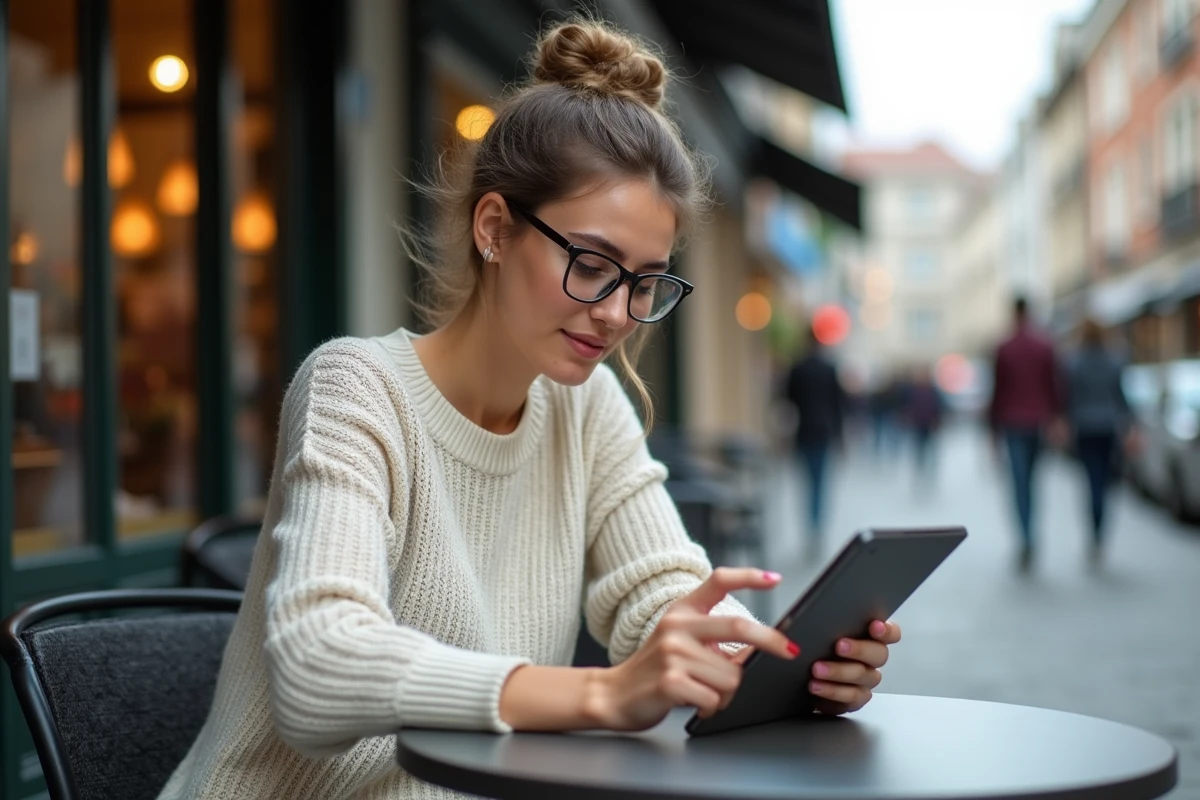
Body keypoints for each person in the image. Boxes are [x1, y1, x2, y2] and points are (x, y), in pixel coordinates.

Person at [158, 20, 901, 800]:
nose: (617, 313)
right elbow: (317, 667)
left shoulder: (585, 405)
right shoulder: (356, 387)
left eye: (644, 282)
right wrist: (603, 694)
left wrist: (778, 666)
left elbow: (662, 601)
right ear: (494, 230)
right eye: (591, 264)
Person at [987, 296, 1064, 573]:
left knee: (1019, 484)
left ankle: (1026, 536)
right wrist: (1057, 419)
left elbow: (997, 392)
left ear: (1013, 313)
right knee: (1032, 483)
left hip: (1012, 423)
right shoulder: (1045, 345)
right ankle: (1031, 535)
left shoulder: (1004, 347)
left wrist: (992, 431)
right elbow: (1054, 386)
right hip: (1039, 422)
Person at [1062, 318, 1134, 569]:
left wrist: (1066, 424)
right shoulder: (1114, 360)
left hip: (1085, 428)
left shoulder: (1074, 363)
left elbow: (1068, 398)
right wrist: (1129, 426)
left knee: (1091, 481)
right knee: (1104, 481)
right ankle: (1099, 533)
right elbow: (1122, 397)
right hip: (1108, 427)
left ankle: (1095, 533)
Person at [783, 327, 846, 555]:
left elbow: (787, 400)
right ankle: (816, 526)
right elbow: (838, 405)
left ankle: (810, 525)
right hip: (824, 433)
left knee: (807, 483)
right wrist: (841, 437)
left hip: (804, 432)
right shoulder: (829, 368)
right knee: (820, 483)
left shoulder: (797, 368)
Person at [904, 364, 945, 489]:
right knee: (919, 449)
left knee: (931, 449)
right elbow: (907, 405)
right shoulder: (913, 390)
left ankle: (930, 472)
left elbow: (940, 406)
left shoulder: (934, 390)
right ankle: (920, 471)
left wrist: (939, 419)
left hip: (930, 423)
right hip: (918, 423)